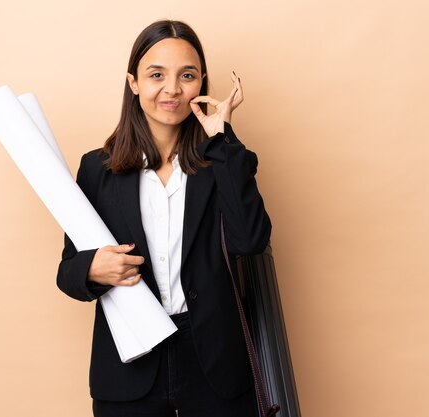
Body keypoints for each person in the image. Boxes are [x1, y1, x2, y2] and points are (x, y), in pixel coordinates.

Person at [57, 19, 272, 417]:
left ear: (201, 82)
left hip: (213, 360)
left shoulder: (221, 160)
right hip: (131, 359)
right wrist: (92, 267)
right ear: (133, 82)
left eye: (186, 75)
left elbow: (250, 241)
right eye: (156, 74)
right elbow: (67, 271)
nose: (172, 89)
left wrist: (221, 139)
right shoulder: (96, 169)